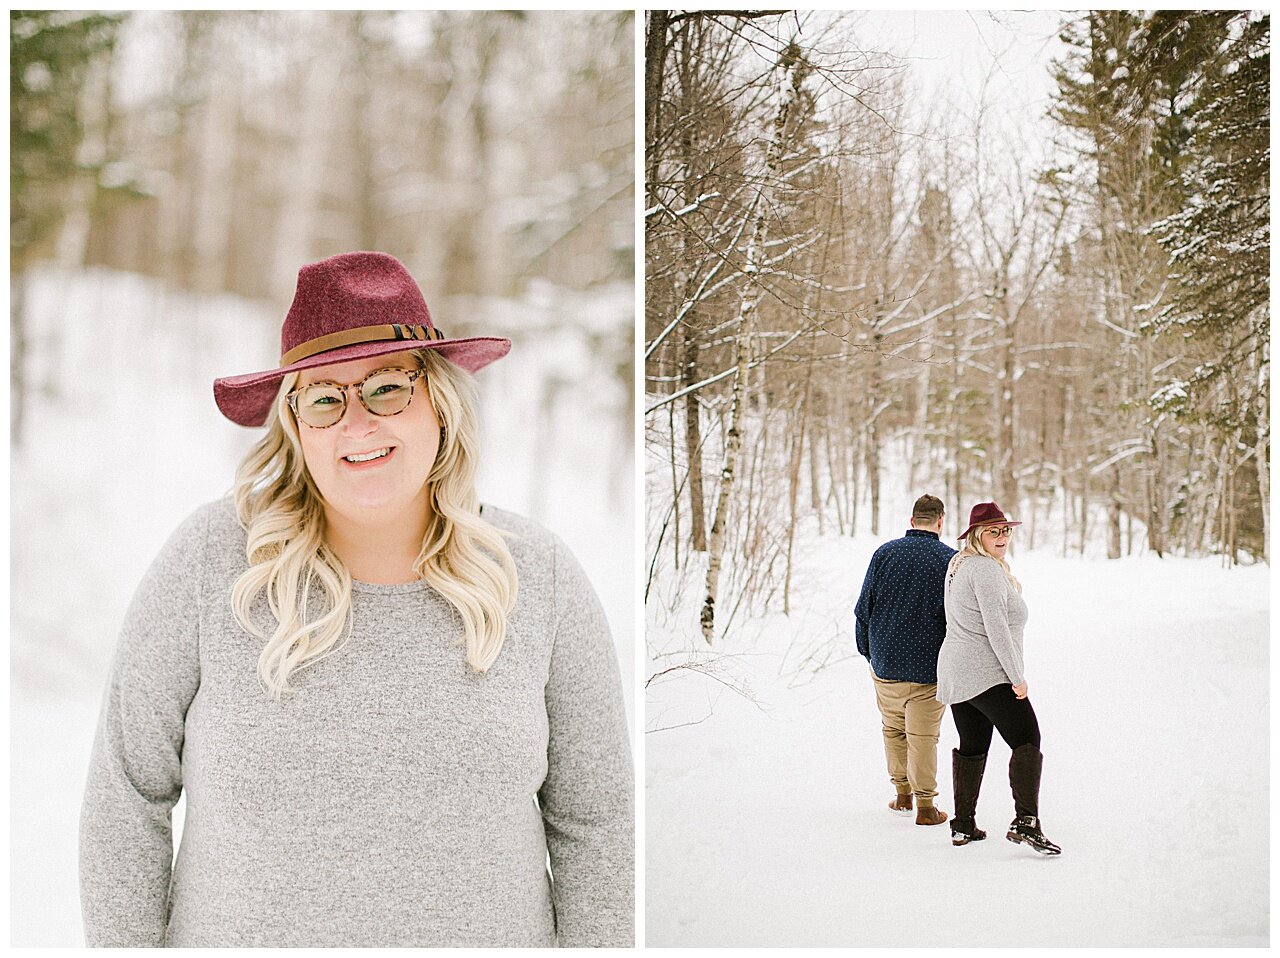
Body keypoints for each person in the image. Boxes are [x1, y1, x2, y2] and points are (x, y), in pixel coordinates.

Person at [78, 251, 635, 946]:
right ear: (297, 428)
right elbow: (126, 799)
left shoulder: (539, 577)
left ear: (439, 401)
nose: (357, 423)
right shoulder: (210, 563)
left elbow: (598, 824)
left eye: (386, 388)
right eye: (324, 398)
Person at [936, 501, 1061, 855]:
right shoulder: (987, 572)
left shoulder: (959, 563)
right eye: (993, 530)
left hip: (958, 672)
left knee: (973, 744)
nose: (1002, 536)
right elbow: (997, 629)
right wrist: (1016, 677)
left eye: (1005, 529)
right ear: (977, 534)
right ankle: (1026, 821)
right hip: (986, 672)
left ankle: (962, 825)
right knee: (1027, 738)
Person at [854, 494, 956, 827]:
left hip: (886, 661)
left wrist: (868, 652)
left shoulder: (884, 554)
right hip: (930, 665)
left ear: (912, 521)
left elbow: (863, 609)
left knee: (894, 730)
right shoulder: (950, 561)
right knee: (924, 736)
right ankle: (926, 807)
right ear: (940, 521)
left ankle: (902, 795)